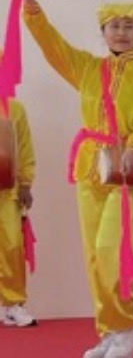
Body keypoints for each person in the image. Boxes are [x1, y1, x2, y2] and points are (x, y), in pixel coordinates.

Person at [20, 0, 133, 358]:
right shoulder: (87, 68)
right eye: (113, 26)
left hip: (130, 173)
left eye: (128, 26)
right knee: (93, 257)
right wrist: (32, 7)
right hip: (90, 169)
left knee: (112, 252)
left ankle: (128, 330)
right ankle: (110, 332)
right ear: (103, 32)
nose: (121, 32)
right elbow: (52, 47)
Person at [0, 73, 37, 328]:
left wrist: (25, 183)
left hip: (7, 191)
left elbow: (24, 147)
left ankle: (12, 304)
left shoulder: (15, 109)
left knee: (12, 247)